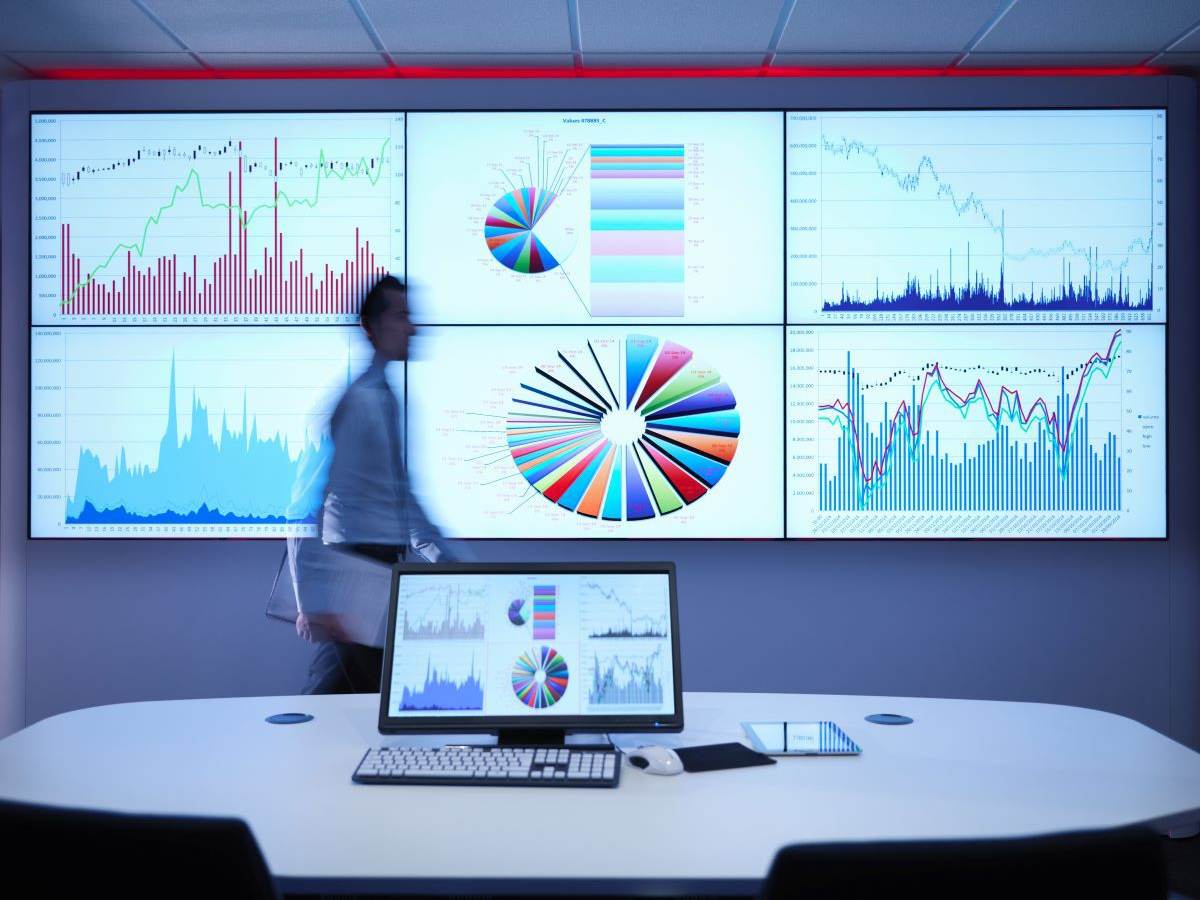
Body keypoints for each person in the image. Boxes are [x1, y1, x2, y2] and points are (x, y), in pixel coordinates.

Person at [298, 275, 452, 694]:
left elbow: (401, 499)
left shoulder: (386, 398)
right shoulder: (358, 402)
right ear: (373, 327)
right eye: (402, 316)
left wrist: (449, 563)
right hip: (357, 573)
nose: (414, 328)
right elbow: (306, 503)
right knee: (344, 700)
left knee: (358, 699)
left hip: (383, 570)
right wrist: (313, 600)